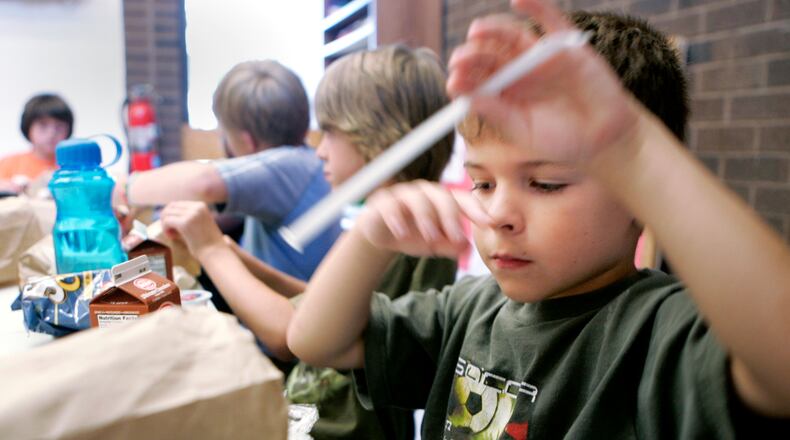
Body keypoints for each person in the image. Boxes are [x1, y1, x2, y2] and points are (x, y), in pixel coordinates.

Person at [287, 2, 790, 439]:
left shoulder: (659, 334)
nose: (498, 214)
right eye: (482, 184)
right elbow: (315, 340)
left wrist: (635, 150)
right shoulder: (467, 311)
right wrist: (373, 237)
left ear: (642, 194)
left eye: (545, 183)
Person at [161, 45, 457, 439]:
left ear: (378, 136)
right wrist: (235, 254)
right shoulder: (381, 224)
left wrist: (212, 251)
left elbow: (292, 337)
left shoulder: (405, 234)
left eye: (331, 133)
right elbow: (327, 307)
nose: (319, 150)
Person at [115, 60, 341, 283]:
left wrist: (121, 189)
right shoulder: (303, 164)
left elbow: (203, 183)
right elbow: (222, 215)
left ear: (248, 142)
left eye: (224, 135)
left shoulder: (287, 166)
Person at [0, 93, 73, 193]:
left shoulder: (75, 168)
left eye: (59, 126)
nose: (51, 133)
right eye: (43, 125)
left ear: (68, 130)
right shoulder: (9, 164)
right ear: (28, 127)